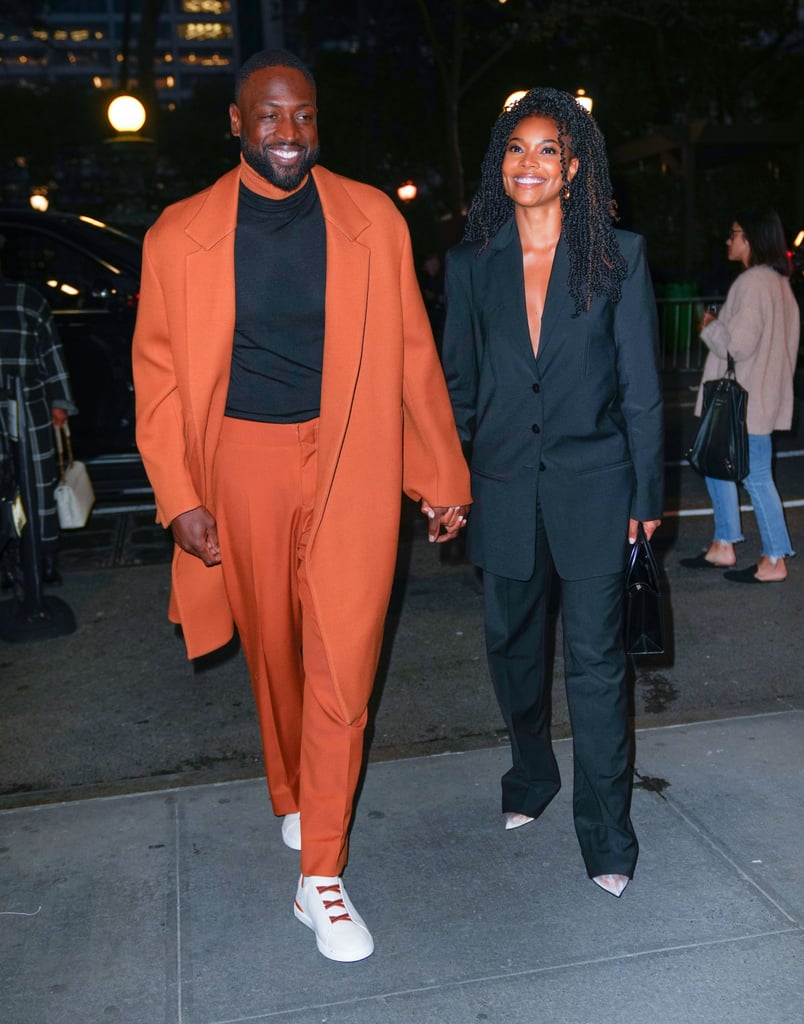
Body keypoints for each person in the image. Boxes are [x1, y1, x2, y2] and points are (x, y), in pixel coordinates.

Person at [131, 49, 470, 962]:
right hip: (240, 459)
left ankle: (321, 870)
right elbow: (158, 384)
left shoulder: (370, 219)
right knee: (274, 651)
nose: (290, 134)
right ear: (237, 125)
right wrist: (180, 497)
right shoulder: (179, 235)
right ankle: (291, 790)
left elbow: (409, 353)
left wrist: (440, 473)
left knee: (344, 652)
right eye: (271, 117)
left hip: (351, 451)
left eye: (305, 117)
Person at [441, 88, 663, 897]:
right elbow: (457, 388)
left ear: (573, 168)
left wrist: (646, 495)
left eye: (546, 151)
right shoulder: (470, 266)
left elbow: (640, 387)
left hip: (597, 488)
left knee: (598, 666)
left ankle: (606, 832)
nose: (527, 164)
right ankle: (530, 776)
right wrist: (445, 484)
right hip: (501, 491)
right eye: (515, 149)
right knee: (511, 651)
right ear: (500, 163)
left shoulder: (618, 258)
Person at [680, 208, 800, 583]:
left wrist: (712, 327)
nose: (729, 240)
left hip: (742, 403)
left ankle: (775, 558)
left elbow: (739, 346)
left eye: (734, 233)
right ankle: (724, 543)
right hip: (761, 399)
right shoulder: (780, 284)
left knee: (755, 477)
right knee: (722, 468)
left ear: (751, 239)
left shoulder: (751, 283)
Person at [0, 264, 77, 588]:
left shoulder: (26, 299)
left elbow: (52, 351)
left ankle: (44, 558)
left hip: (29, 405)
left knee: (38, 485)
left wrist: (60, 402)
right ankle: (6, 563)